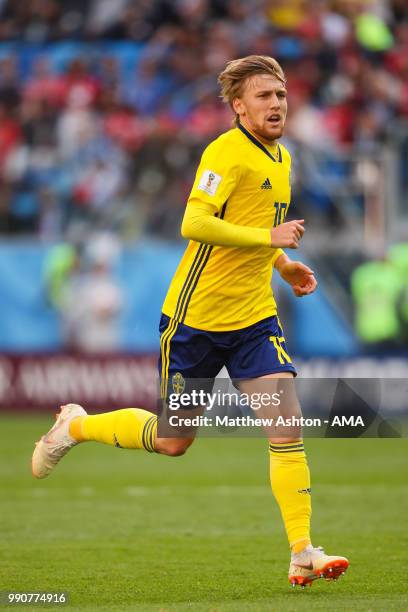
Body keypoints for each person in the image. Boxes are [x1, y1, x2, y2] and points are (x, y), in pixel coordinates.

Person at [32, 55, 349, 588]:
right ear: (239, 106)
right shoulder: (225, 152)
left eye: (282, 94)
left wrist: (284, 264)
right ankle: (75, 426)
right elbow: (194, 221)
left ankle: (302, 552)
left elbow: (252, 227)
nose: (277, 104)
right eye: (264, 96)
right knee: (174, 441)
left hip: (254, 319)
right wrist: (270, 240)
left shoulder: (282, 158)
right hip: (195, 321)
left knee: (286, 424)